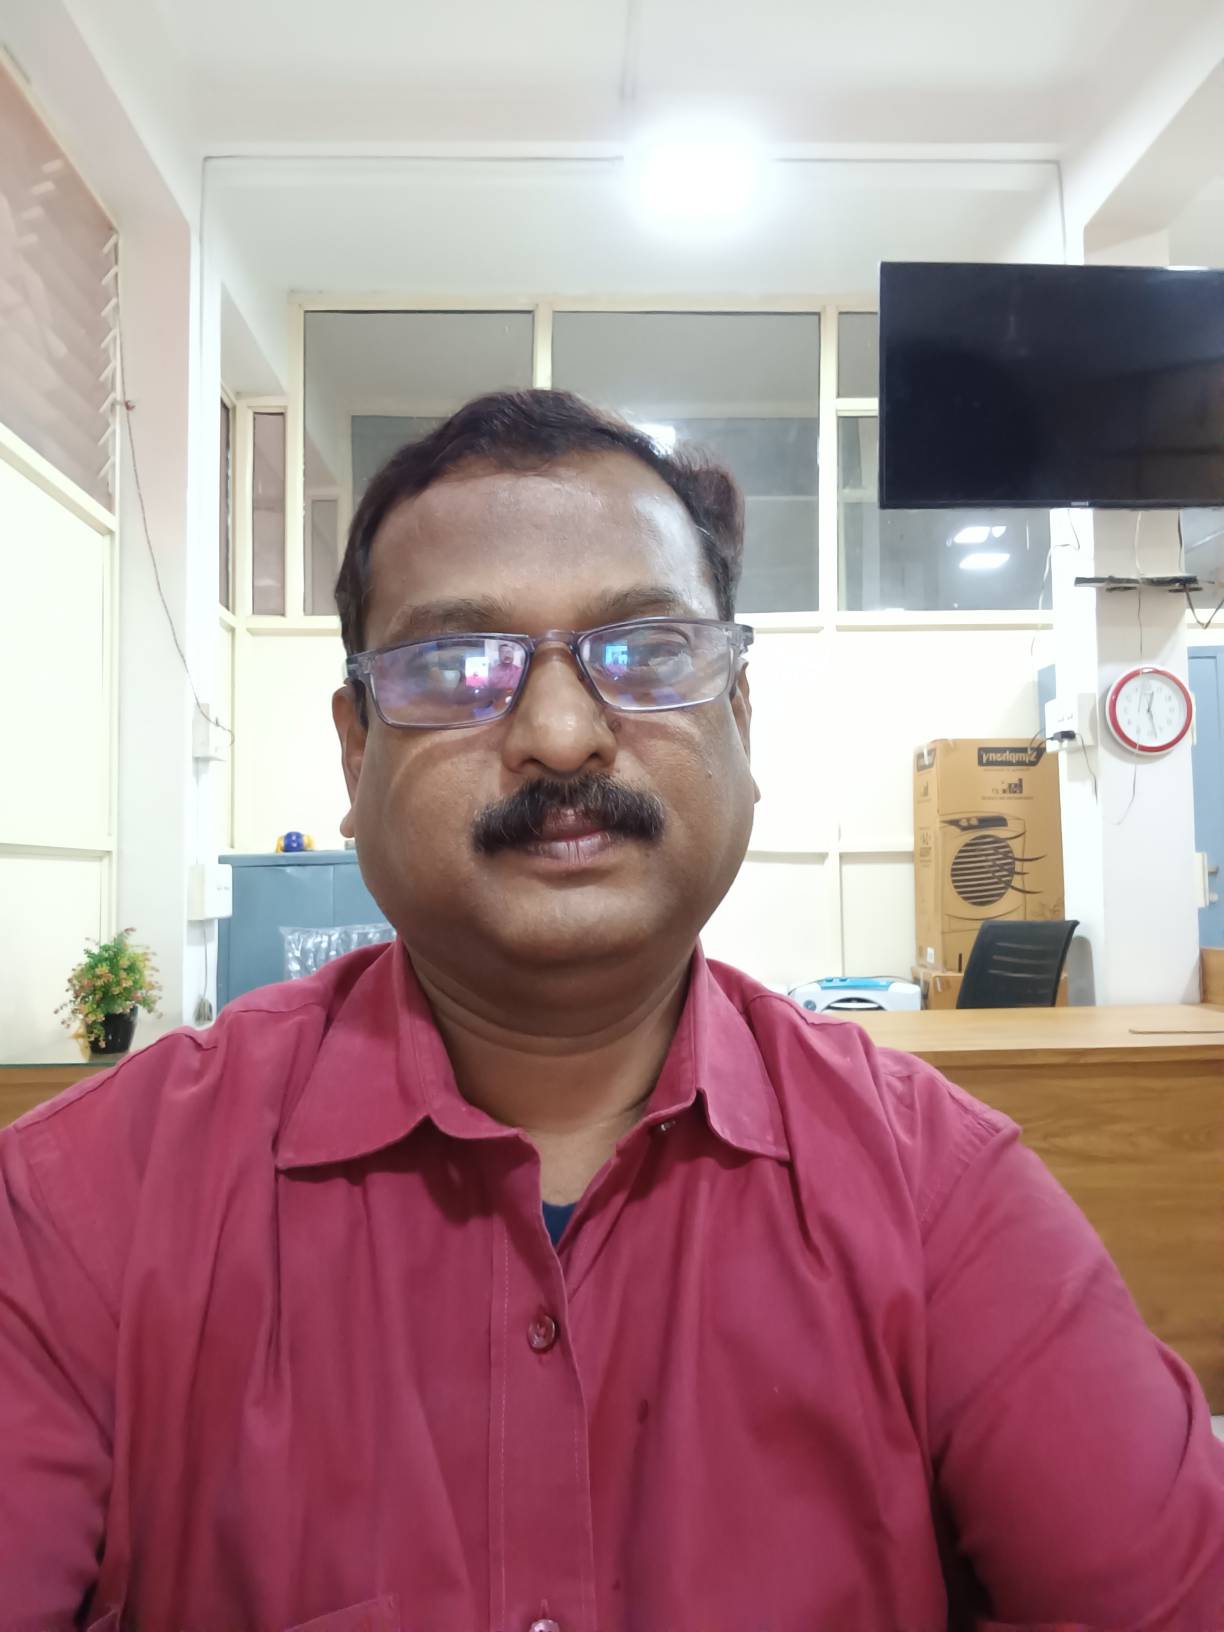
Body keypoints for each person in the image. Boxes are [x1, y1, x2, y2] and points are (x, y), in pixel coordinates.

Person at [1, 390, 1221, 1632]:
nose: (561, 733)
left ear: (740, 717)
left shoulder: (939, 1200)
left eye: (646, 652)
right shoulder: (85, 1211)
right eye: (458, 667)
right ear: (354, 750)